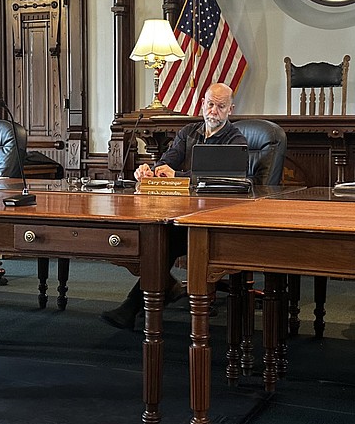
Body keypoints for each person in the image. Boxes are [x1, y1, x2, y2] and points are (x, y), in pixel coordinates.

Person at [101, 82, 247, 330]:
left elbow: (218, 177)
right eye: (210, 104)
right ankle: (155, 295)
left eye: (220, 106)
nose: (213, 111)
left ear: (230, 109)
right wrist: (151, 172)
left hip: (217, 218)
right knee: (157, 237)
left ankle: (135, 304)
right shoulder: (189, 132)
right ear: (202, 104)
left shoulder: (235, 138)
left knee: (165, 242)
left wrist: (178, 175)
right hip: (183, 211)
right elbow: (168, 161)